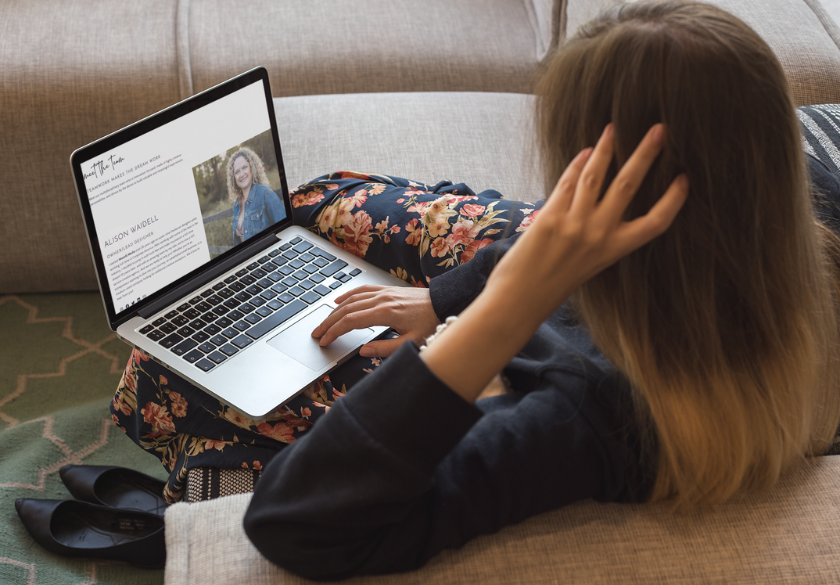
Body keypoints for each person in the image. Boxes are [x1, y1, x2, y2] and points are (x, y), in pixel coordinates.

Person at [111, 0, 840, 579]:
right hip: (588, 286)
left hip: (535, 331)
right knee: (319, 203)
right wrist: (443, 297)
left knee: (169, 379)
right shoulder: (794, 213)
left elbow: (290, 522)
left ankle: (195, 484)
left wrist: (494, 313)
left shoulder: (589, 417)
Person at [227, 147, 284, 244]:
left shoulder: (265, 194)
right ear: (234, 178)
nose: (241, 174)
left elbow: (284, 229)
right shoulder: (236, 205)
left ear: (252, 168)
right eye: (237, 172)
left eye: (245, 167)